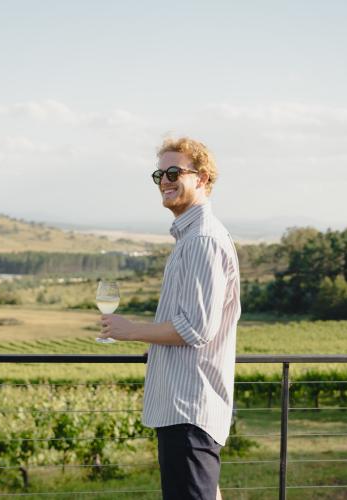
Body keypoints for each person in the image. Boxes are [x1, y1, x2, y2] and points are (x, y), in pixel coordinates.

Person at [99, 137, 240, 499]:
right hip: (185, 407)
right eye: (159, 173)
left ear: (203, 178)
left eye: (175, 172)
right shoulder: (190, 237)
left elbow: (196, 327)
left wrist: (132, 332)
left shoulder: (202, 241)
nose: (165, 180)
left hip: (189, 407)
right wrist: (156, 347)